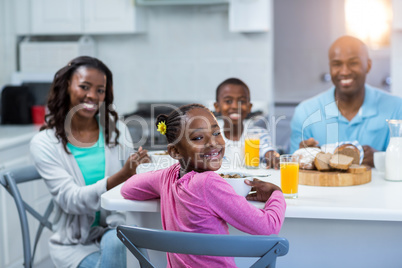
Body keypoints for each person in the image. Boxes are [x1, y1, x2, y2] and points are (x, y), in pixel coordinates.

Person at [121, 104, 286, 268]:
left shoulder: (168, 177)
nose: (213, 143)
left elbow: (127, 188)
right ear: (175, 152)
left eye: (216, 133)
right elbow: (268, 227)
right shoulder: (208, 183)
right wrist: (277, 193)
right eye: (198, 138)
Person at [30, 56, 150, 268]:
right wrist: (122, 175)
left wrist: (141, 172)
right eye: (84, 86)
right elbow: (70, 200)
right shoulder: (44, 143)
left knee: (119, 242)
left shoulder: (117, 131)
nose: (92, 96)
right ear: (67, 86)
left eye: (100, 90)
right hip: (75, 245)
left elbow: (133, 186)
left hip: (116, 228)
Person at [290, 35, 402, 166]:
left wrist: (380, 159)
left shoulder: (396, 108)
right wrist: (303, 158)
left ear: (368, 65)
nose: (344, 71)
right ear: (330, 67)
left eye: (353, 63)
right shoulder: (305, 112)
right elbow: (292, 167)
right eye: (337, 64)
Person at [213, 78, 280, 169]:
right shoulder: (211, 135)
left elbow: (268, 151)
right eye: (228, 101)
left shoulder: (259, 134)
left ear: (249, 107)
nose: (235, 106)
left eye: (242, 101)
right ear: (217, 106)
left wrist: (272, 155)